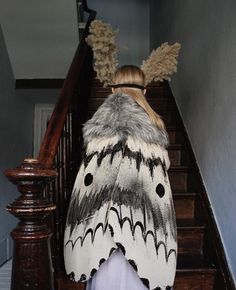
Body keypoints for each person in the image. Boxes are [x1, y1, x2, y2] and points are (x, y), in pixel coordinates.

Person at [63, 65, 177, 290]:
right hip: (142, 235)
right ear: (144, 91)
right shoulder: (155, 129)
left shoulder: (98, 130)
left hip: (99, 234)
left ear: (113, 89)